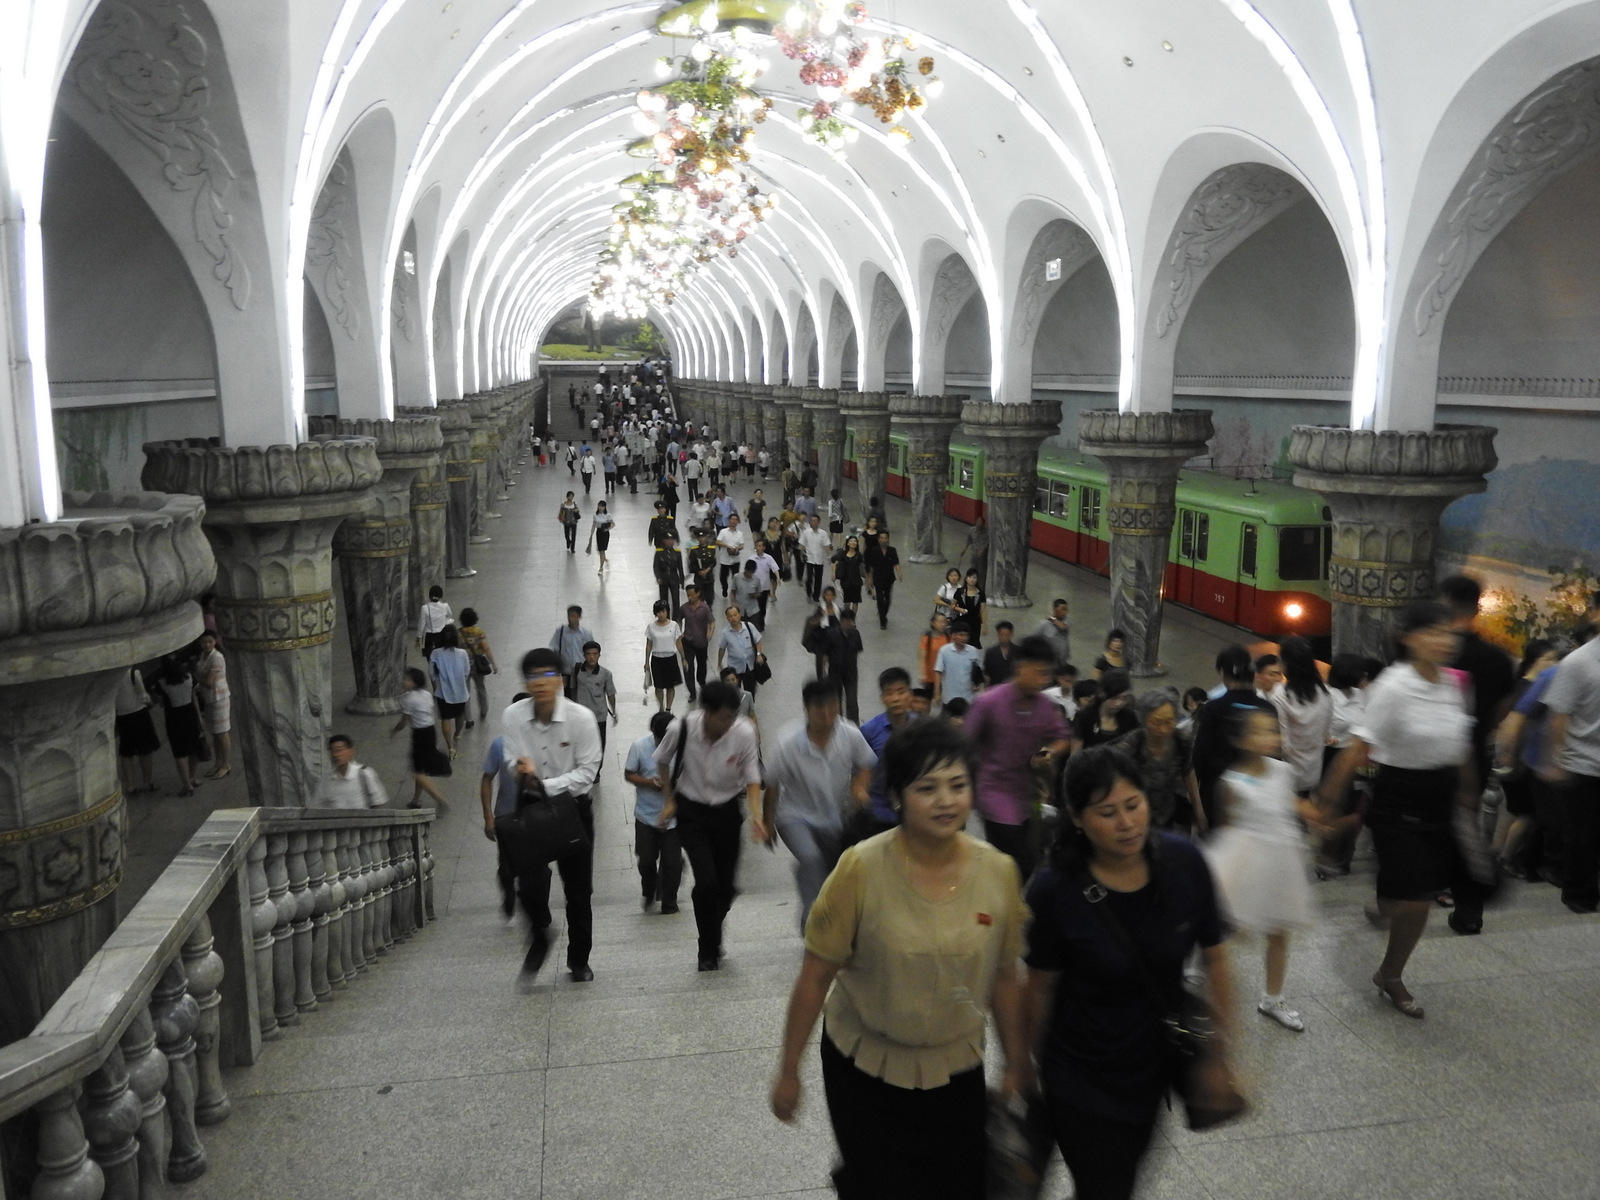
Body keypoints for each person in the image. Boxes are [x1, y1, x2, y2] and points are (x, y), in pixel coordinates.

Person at [769, 719, 1029, 1200]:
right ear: (899, 795)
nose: (946, 801)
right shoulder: (860, 868)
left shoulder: (998, 872)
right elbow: (815, 974)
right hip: (863, 1065)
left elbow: (1004, 977)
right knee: (878, 1186)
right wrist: (789, 1070)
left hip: (956, 1066)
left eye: (958, 785)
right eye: (928, 788)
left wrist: (1016, 1063)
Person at [1023, 745, 1237, 1200]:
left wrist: (1219, 1054)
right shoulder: (1054, 889)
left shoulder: (1184, 864)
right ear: (1077, 819)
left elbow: (1216, 956)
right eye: (1107, 812)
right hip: (1078, 1073)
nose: (1127, 823)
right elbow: (1038, 988)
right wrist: (1022, 1068)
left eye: (1133, 805)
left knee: (1120, 1180)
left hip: (1150, 1065)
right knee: (1108, 1187)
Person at [1318, 600, 1475, 1019]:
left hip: (1439, 799)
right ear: (1409, 638)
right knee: (1417, 899)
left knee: (1412, 890)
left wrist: (1467, 794)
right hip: (1399, 796)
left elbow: (1459, 747)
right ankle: (1392, 965)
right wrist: (1326, 805)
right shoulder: (1394, 685)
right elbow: (1357, 749)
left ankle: (1388, 946)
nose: (1445, 641)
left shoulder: (1452, 685)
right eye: (1434, 632)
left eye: (1450, 633)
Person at [1205, 706, 1321, 1032]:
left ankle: (1273, 997)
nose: (1269, 737)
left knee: (1279, 931)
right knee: (1226, 931)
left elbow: (1290, 803)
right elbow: (1226, 832)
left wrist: (1314, 815)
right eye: (1258, 731)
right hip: (1245, 862)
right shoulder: (1230, 783)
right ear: (1239, 739)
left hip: (1281, 861)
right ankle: (1205, 986)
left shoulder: (1283, 771)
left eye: (1272, 730)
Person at [499, 648, 603, 981]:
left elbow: (588, 772)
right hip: (531, 808)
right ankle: (540, 934)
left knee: (578, 891)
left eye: (547, 676)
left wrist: (544, 783)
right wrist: (520, 770)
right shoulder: (513, 716)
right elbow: (510, 759)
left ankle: (579, 960)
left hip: (573, 809)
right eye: (533, 677)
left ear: (559, 680)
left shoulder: (581, 718)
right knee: (526, 884)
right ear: (526, 682)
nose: (540, 683)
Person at [656, 683, 767, 970]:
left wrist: (756, 816)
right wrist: (669, 799)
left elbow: (753, 777)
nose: (728, 724)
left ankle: (711, 932)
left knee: (726, 887)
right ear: (705, 711)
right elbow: (662, 761)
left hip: (728, 811)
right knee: (706, 882)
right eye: (722, 718)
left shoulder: (742, 733)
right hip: (692, 811)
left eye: (732, 717)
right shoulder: (680, 729)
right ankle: (707, 950)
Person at [1436, 574, 1517, 935]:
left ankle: (1408, 896)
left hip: (1433, 757)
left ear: (1447, 602)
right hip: (1475, 757)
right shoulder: (1497, 658)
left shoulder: (1434, 653)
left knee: (1428, 826)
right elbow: (1503, 710)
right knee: (1465, 829)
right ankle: (1468, 909)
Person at [766, 678, 877, 928]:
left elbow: (867, 763)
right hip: (794, 815)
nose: (826, 714)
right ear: (807, 707)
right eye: (819, 707)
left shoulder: (849, 733)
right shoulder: (788, 742)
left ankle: (813, 890)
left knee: (831, 871)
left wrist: (859, 788)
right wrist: (768, 822)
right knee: (811, 857)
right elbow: (772, 785)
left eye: (832, 706)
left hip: (834, 818)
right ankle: (811, 919)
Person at [963, 634, 1070, 880]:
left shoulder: (1044, 706)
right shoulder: (989, 702)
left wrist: (1050, 752)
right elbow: (963, 744)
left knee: (1024, 858)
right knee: (1019, 863)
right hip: (993, 792)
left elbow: (1063, 737)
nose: (1043, 681)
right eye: (1039, 672)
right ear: (1020, 666)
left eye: (1047, 675)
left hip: (1026, 794)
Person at [1539, 591, 1600, 914]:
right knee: (1583, 835)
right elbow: (1558, 713)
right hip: (1584, 763)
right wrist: (1554, 758)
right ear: (1594, 615)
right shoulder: (1578, 662)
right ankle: (1580, 894)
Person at [1191, 645, 1276, 830]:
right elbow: (1275, 757)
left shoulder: (1213, 708)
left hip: (1217, 797)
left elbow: (1199, 757)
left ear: (1222, 673)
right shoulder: (1267, 709)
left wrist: (1196, 805)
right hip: (1255, 797)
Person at [1112, 689, 1205, 834]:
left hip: (1167, 808)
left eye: (1169, 721)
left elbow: (1188, 773)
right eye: (1156, 722)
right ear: (1143, 720)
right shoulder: (1131, 746)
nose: (1163, 730)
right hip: (1136, 813)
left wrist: (1199, 811)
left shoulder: (1181, 741)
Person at [627, 711, 682, 913]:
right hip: (645, 815)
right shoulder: (639, 747)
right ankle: (649, 889)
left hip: (674, 818)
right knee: (647, 860)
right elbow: (629, 774)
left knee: (672, 862)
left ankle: (669, 900)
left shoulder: (683, 750)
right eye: (661, 740)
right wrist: (648, 782)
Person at [1268, 635, 1333, 798]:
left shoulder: (1279, 695)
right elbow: (1325, 733)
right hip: (1312, 772)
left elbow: (1282, 743)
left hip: (1286, 776)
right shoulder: (1325, 692)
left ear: (1287, 664)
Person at [391, 667, 451, 809]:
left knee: (417, 773)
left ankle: (440, 799)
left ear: (413, 683)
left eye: (406, 679)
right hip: (431, 732)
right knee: (421, 768)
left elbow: (403, 721)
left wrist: (394, 731)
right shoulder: (427, 694)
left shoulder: (408, 699)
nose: (403, 681)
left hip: (420, 735)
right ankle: (416, 800)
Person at [154, 656, 203, 797]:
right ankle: (192, 777)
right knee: (194, 748)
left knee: (180, 752)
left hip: (174, 718)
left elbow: (162, 703)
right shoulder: (188, 677)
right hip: (190, 714)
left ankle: (187, 784)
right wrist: (199, 717)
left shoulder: (161, 682)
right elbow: (194, 697)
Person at [114, 666, 160, 796]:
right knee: (145, 751)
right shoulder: (134, 673)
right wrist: (150, 701)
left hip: (122, 716)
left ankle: (130, 785)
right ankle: (147, 782)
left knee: (126, 752)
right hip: (139, 714)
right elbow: (143, 696)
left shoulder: (111, 676)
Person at [194, 630, 232, 779]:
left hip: (219, 698)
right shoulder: (204, 656)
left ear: (215, 641)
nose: (207, 644)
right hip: (208, 698)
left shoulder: (217, 658)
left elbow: (209, 681)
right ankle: (217, 763)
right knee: (215, 733)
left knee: (222, 732)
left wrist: (198, 677)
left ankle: (226, 764)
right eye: (204, 642)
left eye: (209, 641)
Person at [429, 625, 471, 758]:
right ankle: (457, 735)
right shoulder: (462, 653)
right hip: (460, 692)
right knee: (459, 715)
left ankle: (450, 747)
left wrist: (436, 685)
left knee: (446, 718)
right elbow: (466, 672)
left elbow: (432, 673)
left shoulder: (435, 653)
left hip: (443, 693)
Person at [316, 734, 390, 809]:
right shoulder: (327, 779)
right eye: (332, 751)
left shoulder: (364, 773)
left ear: (351, 751)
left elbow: (378, 802)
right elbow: (319, 805)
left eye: (339, 750)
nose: (335, 755)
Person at [572, 641, 617, 755]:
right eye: (588, 654)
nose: (592, 657)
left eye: (595, 653)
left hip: (599, 715)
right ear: (584, 655)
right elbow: (572, 689)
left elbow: (610, 694)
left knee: (600, 744)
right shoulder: (577, 670)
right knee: (582, 743)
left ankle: (597, 770)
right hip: (581, 715)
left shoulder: (606, 674)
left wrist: (614, 711)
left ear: (599, 655)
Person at [458, 608, 498, 730]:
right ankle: (484, 709)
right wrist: (493, 663)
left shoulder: (458, 633)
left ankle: (468, 718)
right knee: (481, 687)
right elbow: (486, 648)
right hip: (477, 665)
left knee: (466, 691)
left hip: (463, 665)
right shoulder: (479, 632)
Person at [644, 602, 685, 712]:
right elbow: (649, 644)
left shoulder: (674, 625)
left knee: (670, 686)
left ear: (667, 612)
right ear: (655, 613)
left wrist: (683, 658)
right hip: (657, 658)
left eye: (664, 611)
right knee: (659, 686)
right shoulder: (651, 627)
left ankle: (668, 708)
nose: (661, 614)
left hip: (670, 658)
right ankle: (661, 706)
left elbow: (678, 642)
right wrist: (646, 661)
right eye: (659, 612)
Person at [677, 583, 715, 702]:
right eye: (688, 595)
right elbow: (678, 620)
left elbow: (712, 622)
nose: (689, 597)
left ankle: (702, 682)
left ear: (698, 594)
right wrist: (679, 632)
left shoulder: (704, 608)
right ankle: (692, 692)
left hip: (702, 642)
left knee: (702, 665)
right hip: (688, 642)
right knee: (688, 668)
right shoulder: (684, 608)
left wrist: (710, 632)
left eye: (692, 595)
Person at [825, 609, 865, 722]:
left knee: (852, 700)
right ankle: (837, 723)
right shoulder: (832, 634)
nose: (848, 624)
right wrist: (824, 671)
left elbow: (857, 651)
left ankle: (853, 725)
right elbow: (826, 654)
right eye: (845, 621)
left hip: (851, 673)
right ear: (840, 621)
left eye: (850, 621)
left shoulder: (856, 634)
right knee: (836, 700)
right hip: (835, 672)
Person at [933, 621, 982, 709]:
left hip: (968, 698)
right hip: (949, 698)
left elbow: (977, 671)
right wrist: (937, 693)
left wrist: (978, 684)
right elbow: (938, 672)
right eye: (961, 635)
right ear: (953, 635)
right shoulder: (944, 651)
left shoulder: (973, 651)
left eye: (966, 635)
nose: (964, 638)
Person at [548, 605, 593, 698]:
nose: (570, 619)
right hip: (567, 670)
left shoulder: (586, 633)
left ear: (579, 617)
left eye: (573, 616)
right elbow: (555, 650)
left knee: (582, 694)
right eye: (569, 616)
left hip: (581, 670)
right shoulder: (560, 632)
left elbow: (592, 651)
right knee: (568, 694)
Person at [718, 604, 764, 696]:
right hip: (735, 667)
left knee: (750, 690)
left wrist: (758, 654)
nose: (733, 618)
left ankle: (749, 706)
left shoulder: (749, 626)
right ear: (727, 619)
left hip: (749, 665)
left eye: (735, 615)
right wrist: (719, 662)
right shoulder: (725, 633)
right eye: (730, 616)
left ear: (739, 615)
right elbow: (722, 649)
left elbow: (757, 641)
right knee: (734, 691)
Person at [867, 530, 901, 629]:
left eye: (885, 538)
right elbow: (871, 566)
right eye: (881, 538)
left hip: (889, 578)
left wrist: (899, 573)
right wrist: (870, 578)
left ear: (888, 539)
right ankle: (882, 620)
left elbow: (896, 563)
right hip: (878, 578)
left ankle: (883, 613)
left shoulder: (892, 550)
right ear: (878, 539)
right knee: (880, 599)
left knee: (888, 599)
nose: (883, 540)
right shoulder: (874, 551)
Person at [717, 513, 750, 598]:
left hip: (735, 559)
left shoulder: (740, 534)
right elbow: (717, 542)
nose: (734, 521)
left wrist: (737, 548)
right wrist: (727, 546)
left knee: (736, 576)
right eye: (732, 519)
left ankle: (734, 591)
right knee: (723, 577)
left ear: (738, 522)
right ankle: (724, 587)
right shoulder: (723, 532)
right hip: (725, 559)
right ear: (729, 521)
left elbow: (742, 545)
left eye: (736, 520)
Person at [799, 514, 830, 602]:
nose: (814, 523)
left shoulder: (823, 534)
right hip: (809, 558)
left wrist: (828, 556)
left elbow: (826, 545)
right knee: (809, 578)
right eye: (812, 521)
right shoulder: (806, 532)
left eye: (815, 521)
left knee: (818, 578)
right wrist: (801, 554)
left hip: (819, 559)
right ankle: (809, 593)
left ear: (819, 522)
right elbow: (802, 544)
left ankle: (816, 595)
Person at [417, 584, 454, 658]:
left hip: (430, 636)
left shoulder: (424, 608)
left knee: (430, 657)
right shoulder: (445, 606)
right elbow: (450, 615)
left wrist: (419, 637)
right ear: (441, 596)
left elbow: (422, 624)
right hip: (442, 635)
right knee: (441, 656)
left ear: (429, 596)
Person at [1035, 598, 1072, 668]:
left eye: (1066, 609)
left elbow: (1063, 627)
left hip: (1062, 658)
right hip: (1049, 661)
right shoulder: (1044, 624)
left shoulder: (1066, 620)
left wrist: (1052, 619)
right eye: (1063, 609)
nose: (1065, 612)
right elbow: (1035, 639)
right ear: (1054, 609)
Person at [654, 532, 686, 613]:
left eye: (672, 540)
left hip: (674, 578)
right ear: (664, 541)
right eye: (668, 540)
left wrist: (682, 580)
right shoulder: (659, 553)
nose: (670, 542)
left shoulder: (677, 553)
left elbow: (680, 567)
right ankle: (666, 617)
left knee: (676, 600)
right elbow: (656, 566)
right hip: (663, 578)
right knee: (664, 600)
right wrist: (658, 577)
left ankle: (676, 618)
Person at [955, 569, 987, 649]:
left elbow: (982, 610)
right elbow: (953, 605)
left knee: (973, 644)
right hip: (962, 621)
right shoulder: (960, 591)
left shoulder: (981, 593)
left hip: (975, 622)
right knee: (961, 643)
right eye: (970, 577)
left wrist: (985, 625)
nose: (972, 579)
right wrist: (960, 609)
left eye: (974, 577)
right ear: (966, 578)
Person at [918, 611, 949, 690]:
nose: (943, 624)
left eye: (944, 622)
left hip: (944, 676)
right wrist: (923, 674)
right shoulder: (927, 638)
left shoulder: (948, 637)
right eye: (940, 622)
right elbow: (922, 657)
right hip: (930, 676)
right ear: (933, 623)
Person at [831, 535, 865, 608]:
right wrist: (833, 574)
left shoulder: (859, 555)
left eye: (855, 541)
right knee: (847, 602)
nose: (853, 543)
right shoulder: (843, 554)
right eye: (851, 541)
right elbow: (835, 563)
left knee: (855, 602)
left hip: (856, 581)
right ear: (847, 543)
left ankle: (853, 618)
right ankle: (847, 616)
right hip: (846, 581)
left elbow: (864, 567)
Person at [687, 525, 718, 600]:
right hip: (699, 578)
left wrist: (707, 570)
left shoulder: (712, 549)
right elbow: (692, 564)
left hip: (709, 577)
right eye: (699, 537)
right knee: (700, 598)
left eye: (703, 537)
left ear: (706, 537)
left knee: (710, 598)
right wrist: (700, 572)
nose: (701, 539)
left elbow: (713, 562)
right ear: (697, 538)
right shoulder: (694, 550)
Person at [983, 621, 1017, 686]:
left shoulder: (1018, 651)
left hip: (1014, 689)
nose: (1004, 638)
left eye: (1007, 635)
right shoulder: (991, 652)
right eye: (1001, 635)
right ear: (998, 635)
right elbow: (987, 673)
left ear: (1012, 635)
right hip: (995, 688)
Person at [586, 499, 615, 572]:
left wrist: (608, 529)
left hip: (605, 533)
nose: (600, 508)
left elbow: (613, 524)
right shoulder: (595, 515)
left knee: (602, 550)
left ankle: (601, 566)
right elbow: (593, 525)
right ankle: (604, 559)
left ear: (605, 507)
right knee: (600, 550)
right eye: (599, 506)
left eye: (602, 506)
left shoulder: (608, 515)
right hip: (599, 533)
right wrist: (591, 534)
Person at [960, 515, 988, 586]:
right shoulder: (971, 530)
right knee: (972, 570)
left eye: (981, 522)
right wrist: (964, 549)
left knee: (981, 572)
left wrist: (983, 550)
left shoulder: (987, 532)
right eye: (978, 521)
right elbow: (969, 540)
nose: (979, 523)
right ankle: (968, 586)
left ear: (983, 524)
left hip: (982, 556)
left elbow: (988, 543)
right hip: (974, 554)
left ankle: (980, 589)